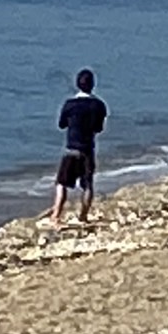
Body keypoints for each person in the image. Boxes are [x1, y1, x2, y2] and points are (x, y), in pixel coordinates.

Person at [52, 68, 108, 226]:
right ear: (92, 85)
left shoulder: (70, 104)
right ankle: (83, 215)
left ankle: (56, 214)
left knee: (62, 183)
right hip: (87, 149)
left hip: (71, 149)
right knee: (87, 185)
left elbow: (62, 124)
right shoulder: (99, 105)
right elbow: (99, 128)